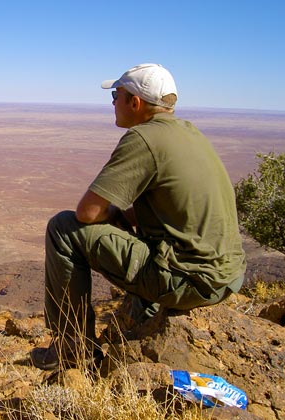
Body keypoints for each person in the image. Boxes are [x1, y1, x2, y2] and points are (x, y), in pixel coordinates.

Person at [31, 63, 246, 370]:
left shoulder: (144, 138)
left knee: (63, 228)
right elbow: (172, 210)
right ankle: (142, 310)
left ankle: (72, 349)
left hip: (189, 280)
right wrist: (123, 219)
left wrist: (114, 217)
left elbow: (87, 212)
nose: (113, 103)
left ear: (136, 102)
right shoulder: (188, 133)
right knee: (137, 234)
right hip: (227, 276)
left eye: (116, 96)